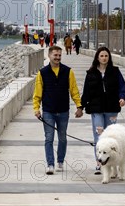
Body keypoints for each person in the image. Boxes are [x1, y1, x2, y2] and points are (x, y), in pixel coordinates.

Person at [33, 45, 83, 174]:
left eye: (59, 55)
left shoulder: (68, 71)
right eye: (55, 55)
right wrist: (36, 108)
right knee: (49, 138)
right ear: (49, 56)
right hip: (48, 111)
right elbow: (37, 93)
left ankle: (60, 161)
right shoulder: (42, 73)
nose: (57, 57)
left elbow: (74, 90)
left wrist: (79, 106)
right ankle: (50, 164)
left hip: (63, 111)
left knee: (62, 138)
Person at [80, 46, 125, 175]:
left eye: (106, 56)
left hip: (112, 109)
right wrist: (80, 106)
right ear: (97, 57)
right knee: (99, 136)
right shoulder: (91, 73)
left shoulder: (115, 72)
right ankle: (99, 163)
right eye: (101, 56)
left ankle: (113, 164)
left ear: (109, 58)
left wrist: (122, 98)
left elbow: (122, 87)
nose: (104, 58)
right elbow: (86, 92)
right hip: (96, 109)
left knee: (111, 138)